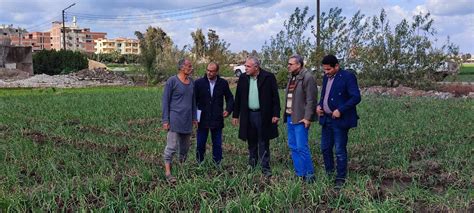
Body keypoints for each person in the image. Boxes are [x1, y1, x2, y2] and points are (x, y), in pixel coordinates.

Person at [316, 55, 361, 189]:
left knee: (340, 150)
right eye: (324, 70)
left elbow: (356, 97)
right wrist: (319, 106)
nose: (326, 72)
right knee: (325, 148)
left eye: (329, 69)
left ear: (337, 66)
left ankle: (340, 178)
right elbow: (324, 96)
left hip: (340, 120)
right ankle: (329, 173)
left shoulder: (347, 77)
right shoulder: (326, 77)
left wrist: (340, 110)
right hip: (326, 119)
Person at [232, 56, 280, 177]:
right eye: (245, 66)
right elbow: (238, 97)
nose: (245, 68)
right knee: (251, 140)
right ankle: (252, 164)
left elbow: (275, 97)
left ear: (256, 67)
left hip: (263, 115)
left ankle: (265, 168)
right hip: (248, 114)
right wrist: (235, 115)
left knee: (263, 141)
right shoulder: (243, 78)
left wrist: (276, 114)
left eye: (248, 66)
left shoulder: (268, 77)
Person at [162, 58, 198, 184]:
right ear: (182, 67)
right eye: (189, 66)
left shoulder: (192, 82)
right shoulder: (172, 81)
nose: (191, 68)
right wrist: (165, 120)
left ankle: (181, 169)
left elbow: (194, 102)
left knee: (185, 147)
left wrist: (195, 118)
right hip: (175, 119)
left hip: (187, 120)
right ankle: (168, 172)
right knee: (171, 146)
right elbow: (165, 101)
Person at [283, 54, 318, 183]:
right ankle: (300, 173)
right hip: (290, 117)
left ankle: (309, 176)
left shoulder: (308, 78)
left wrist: (307, 118)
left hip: (300, 119)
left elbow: (311, 100)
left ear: (299, 64)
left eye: (291, 64)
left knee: (302, 147)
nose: (288, 66)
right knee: (293, 146)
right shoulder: (292, 78)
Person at [194, 62, 234, 165]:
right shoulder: (198, 83)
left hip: (217, 118)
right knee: (200, 144)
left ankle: (217, 164)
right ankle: (200, 163)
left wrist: (228, 110)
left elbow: (229, 98)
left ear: (217, 72)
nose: (209, 73)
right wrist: (194, 117)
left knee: (217, 144)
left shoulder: (223, 83)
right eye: (208, 70)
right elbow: (193, 101)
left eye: (212, 71)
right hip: (202, 119)